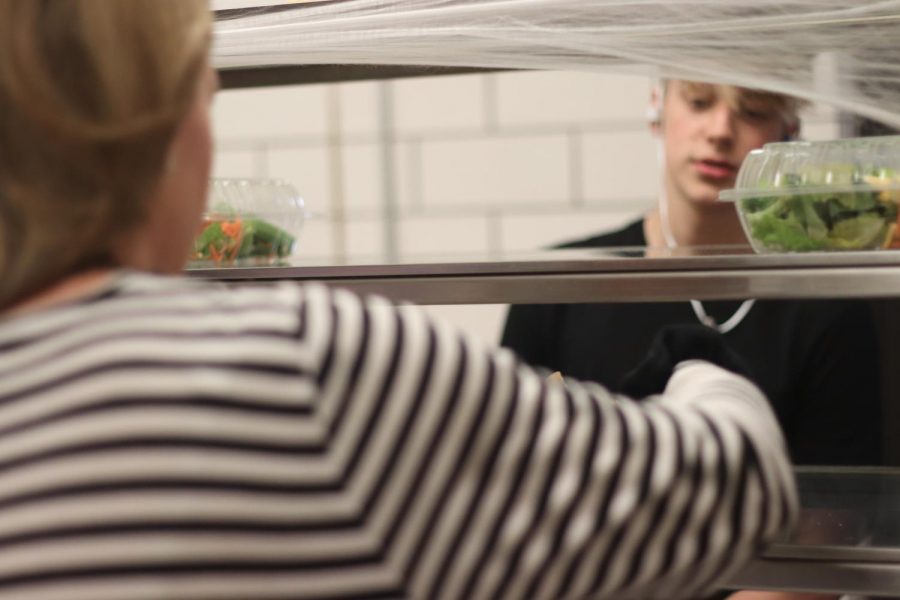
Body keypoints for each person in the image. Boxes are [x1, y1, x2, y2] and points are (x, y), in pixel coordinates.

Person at [0, 3, 797, 599]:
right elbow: (733, 489)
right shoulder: (307, 365)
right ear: (164, 131)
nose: (720, 131)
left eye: (752, 109)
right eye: (207, 96)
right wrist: (698, 368)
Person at [502, 80, 883, 469]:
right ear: (657, 109)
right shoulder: (556, 288)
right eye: (699, 102)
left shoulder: (826, 304)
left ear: (789, 133)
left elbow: (837, 515)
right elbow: (506, 469)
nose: (719, 131)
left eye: (753, 110)